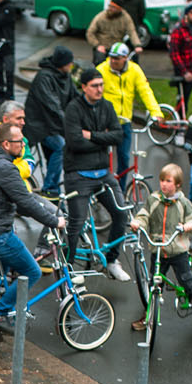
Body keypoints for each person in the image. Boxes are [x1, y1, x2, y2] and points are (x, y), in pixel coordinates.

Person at [0, 122, 67, 320]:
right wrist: (54, 221)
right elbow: (26, 202)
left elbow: (16, 201)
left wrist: (33, 212)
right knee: (32, 271)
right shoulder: (5, 168)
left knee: (2, 265)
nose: (23, 144)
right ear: (5, 144)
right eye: (19, 141)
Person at [64, 69, 130, 281]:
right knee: (77, 221)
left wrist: (91, 135)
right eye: (95, 85)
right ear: (84, 87)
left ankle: (111, 261)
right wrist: (104, 139)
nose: (100, 89)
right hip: (79, 174)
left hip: (103, 174)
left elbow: (119, 136)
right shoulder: (73, 109)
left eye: (101, 85)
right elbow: (75, 142)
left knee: (121, 213)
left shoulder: (107, 106)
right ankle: (68, 267)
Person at [131, 162, 192, 327]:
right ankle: (149, 316)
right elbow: (144, 215)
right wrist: (138, 222)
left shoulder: (182, 203)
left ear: (178, 184)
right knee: (154, 284)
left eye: (168, 181)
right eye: (162, 180)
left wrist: (189, 226)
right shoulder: (153, 199)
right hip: (159, 249)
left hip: (177, 250)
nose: (164, 184)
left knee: (187, 281)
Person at [99, 43, 161, 180]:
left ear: (125, 58)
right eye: (111, 58)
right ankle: (100, 187)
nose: (113, 61)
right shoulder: (102, 70)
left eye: (117, 58)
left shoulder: (134, 70)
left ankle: (120, 193)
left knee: (124, 158)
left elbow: (145, 91)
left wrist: (156, 112)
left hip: (124, 122)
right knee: (102, 158)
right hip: (105, 122)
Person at [24, 46, 76, 197]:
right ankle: (51, 189)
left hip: (53, 125)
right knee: (60, 147)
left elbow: (75, 97)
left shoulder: (65, 76)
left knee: (54, 156)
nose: (71, 65)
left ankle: (52, 190)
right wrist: (69, 123)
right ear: (62, 63)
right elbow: (52, 105)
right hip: (39, 125)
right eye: (69, 63)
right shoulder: (44, 77)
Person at [0, 101, 33, 187]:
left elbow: (30, 162)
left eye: (23, 118)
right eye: (19, 118)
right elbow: (3, 172)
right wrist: (21, 169)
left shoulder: (23, 139)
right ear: (5, 119)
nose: (23, 122)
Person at [86, 0, 141, 65]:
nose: (110, 9)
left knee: (128, 61)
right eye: (110, 6)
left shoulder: (126, 17)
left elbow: (132, 32)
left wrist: (137, 45)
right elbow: (90, 33)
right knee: (100, 61)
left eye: (113, 7)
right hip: (103, 46)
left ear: (120, 9)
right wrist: (97, 45)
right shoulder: (101, 17)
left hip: (117, 47)